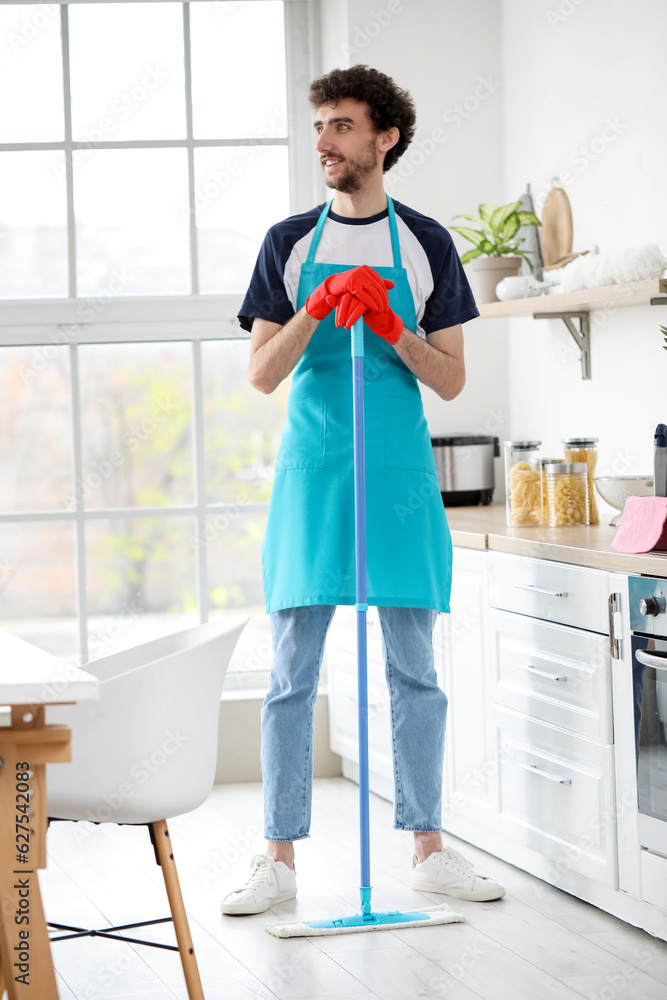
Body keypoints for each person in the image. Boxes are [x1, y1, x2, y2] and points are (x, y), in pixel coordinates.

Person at [221, 64, 505, 916]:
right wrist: (319, 310)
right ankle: (276, 857)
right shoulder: (287, 244)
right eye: (319, 128)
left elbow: (450, 382)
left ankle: (427, 847)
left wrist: (390, 326)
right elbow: (263, 375)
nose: (324, 143)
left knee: (413, 669)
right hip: (312, 474)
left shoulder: (426, 242)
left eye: (340, 126)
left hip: (397, 477)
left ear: (384, 138)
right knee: (290, 675)